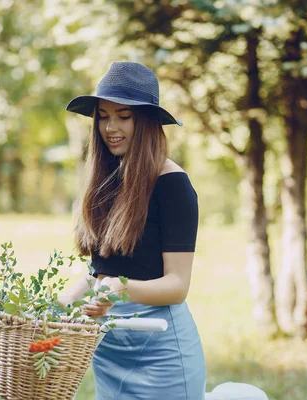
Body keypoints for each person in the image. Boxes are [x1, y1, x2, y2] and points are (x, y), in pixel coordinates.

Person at [60, 61, 206, 400]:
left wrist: (119, 290)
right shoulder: (107, 179)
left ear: (147, 120)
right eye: (103, 115)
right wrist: (62, 301)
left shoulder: (173, 186)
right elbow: (103, 269)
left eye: (123, 116)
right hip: (110, 348)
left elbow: (177, 286)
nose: (111, 127)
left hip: (161, 354)